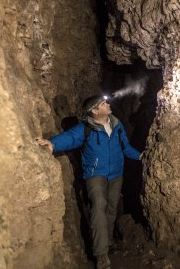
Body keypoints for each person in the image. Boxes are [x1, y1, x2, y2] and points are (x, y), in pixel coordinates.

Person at [37, 95, 142, 269]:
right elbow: (69, 138)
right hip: (95, 174)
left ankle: (108, 241)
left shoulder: (117, 125)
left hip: (116, 173)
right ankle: (101, 254)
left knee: (111, 207)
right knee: (99, 204)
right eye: (103, 103)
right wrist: (52, 143)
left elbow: (126, 147)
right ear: (94, 111)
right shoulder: (85, 129)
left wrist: (140, 156)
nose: (108, 104)